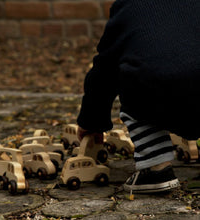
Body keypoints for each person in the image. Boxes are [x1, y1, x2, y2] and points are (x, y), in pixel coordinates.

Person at [76, 0, 200, 193]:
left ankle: (156, 167)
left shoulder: (128, 7)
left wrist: (91, 122)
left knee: (132, 79)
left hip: (155, 93)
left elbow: (104, 70)